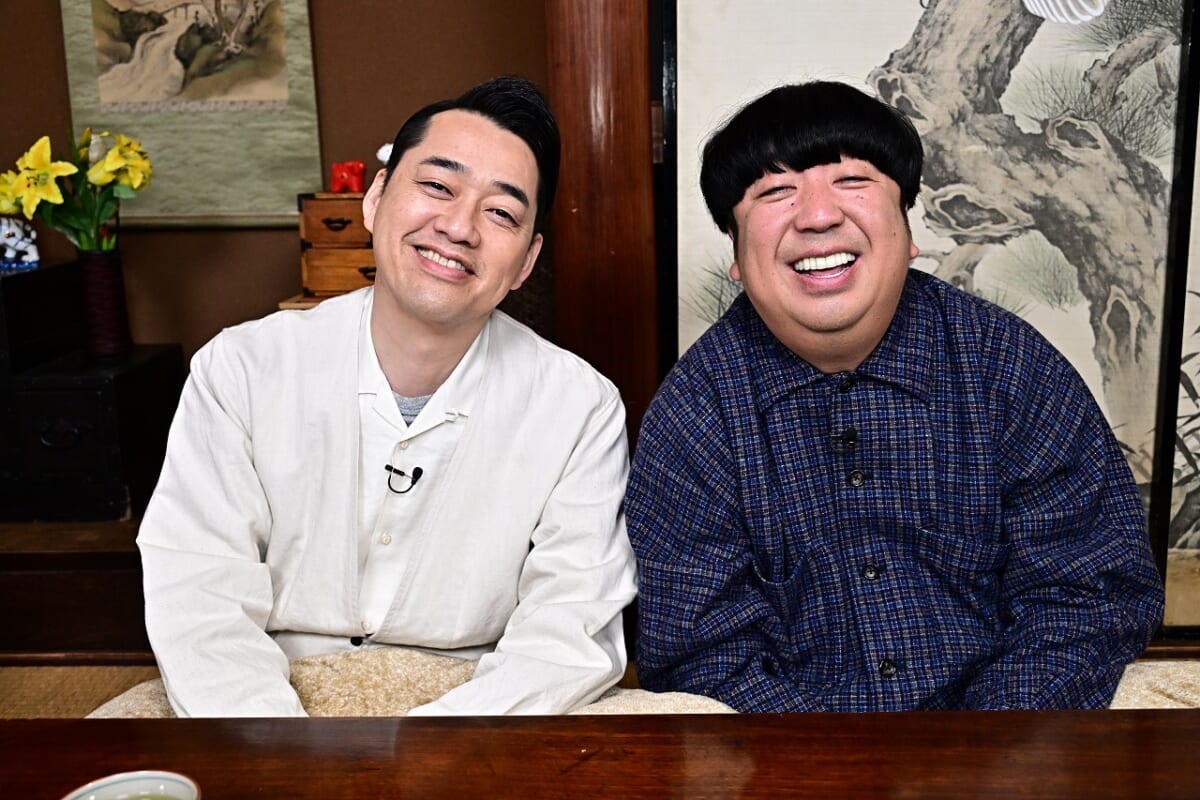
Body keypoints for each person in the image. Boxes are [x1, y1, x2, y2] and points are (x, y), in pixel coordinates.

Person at [624, 80, 1164, 712]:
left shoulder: (1009, 366)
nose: (818, 216)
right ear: (737, 256)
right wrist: (839, 761)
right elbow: (701, 651)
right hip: (793, 757)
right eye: (775, 191)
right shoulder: (695, 413)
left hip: (1007, 742)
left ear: (909, 230)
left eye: (852, 180)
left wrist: (977, 749)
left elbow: (1088, 597)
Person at [138, 76, 637, 717]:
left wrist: (425, 755)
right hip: (265, 694)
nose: (458, 227)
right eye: (438, 186)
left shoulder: (580, 406)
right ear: (375, 199)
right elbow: (199, 595)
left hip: (482, 705)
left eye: (501, 213)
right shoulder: (241, 368)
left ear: (525, 261)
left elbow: (568, 634)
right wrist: (282, 754)